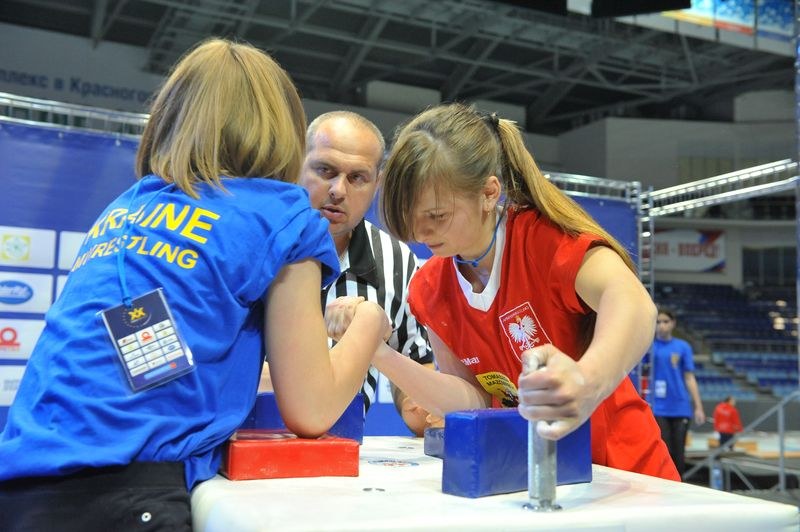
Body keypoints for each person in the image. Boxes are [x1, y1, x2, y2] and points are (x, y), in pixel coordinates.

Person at [0, 38, 390, 531]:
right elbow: (311, 410)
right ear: (284, 128)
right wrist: (370, 323)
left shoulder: (126, 207)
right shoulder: (281, 215)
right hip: (127, 492)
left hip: (20, 484)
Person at [367, 102, 678, 480]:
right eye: (411, 217)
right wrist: (379, 353)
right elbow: (471, 399)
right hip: (531, 475)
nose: (420, 233)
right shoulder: (429, 288)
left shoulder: (543, 240)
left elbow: (634, 303)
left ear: (488, 193)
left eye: (437, 216)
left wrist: (586, 381)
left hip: (623, 472)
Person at [260, 110, 436, 435]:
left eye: (357, 178)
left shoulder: (397, 261)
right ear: (297, 164)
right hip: (245, 443)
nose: (338, 190)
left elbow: (413, 365)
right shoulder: (252, 241)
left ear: (376, 184)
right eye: (325, 170)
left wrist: (429, 409)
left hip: (344, 450)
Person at [647, 308, 706, 477]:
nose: (661, 325)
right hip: (658, 407)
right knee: (663, 450)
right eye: (658, 322)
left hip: (680, 407)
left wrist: (698, 407)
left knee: (679, 453)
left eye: (665, 321)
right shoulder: (649, 347)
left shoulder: (683, 347)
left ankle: (679, 484)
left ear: (673, 323)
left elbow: (689, 377)